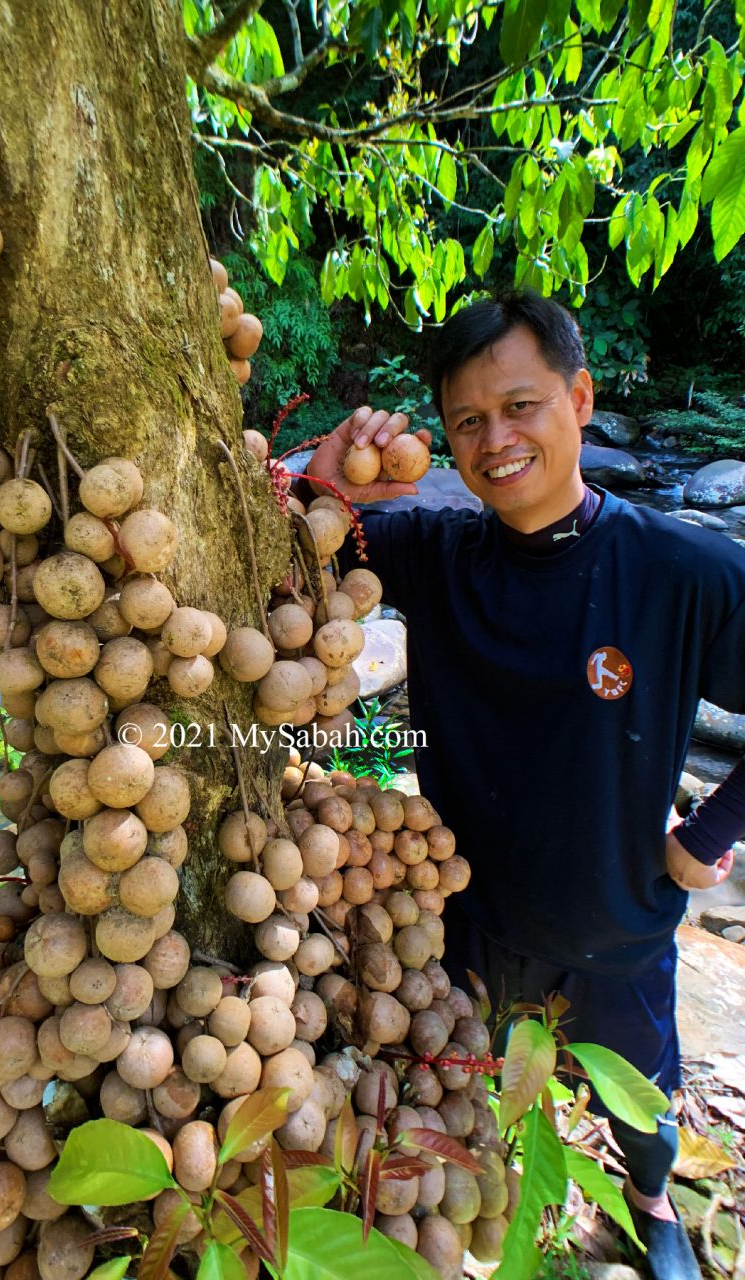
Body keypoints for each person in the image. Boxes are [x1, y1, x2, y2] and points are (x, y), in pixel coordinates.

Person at [305, 291, 743, 1280]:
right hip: (473, 917)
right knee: (472, 1082)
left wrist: (709, 832)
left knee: (645, 1098)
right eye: (467, 420)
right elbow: (296, 524)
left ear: (579, 397)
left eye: (519, 406)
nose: (494, 439)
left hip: (617, 920)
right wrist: (328, 479)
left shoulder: (683, 570)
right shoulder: (434, 551)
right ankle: (500, 1194)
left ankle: (650, 1203)